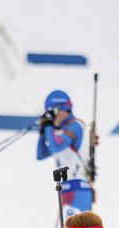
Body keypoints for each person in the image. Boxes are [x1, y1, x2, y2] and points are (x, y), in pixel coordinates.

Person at [36, 90, 93, 221]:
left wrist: (50, 126)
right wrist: (43, 132)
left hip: (77, 186)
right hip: (67, 187)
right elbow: (41, 154)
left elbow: (56, 146)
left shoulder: (75, 126)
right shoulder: (60, 132)